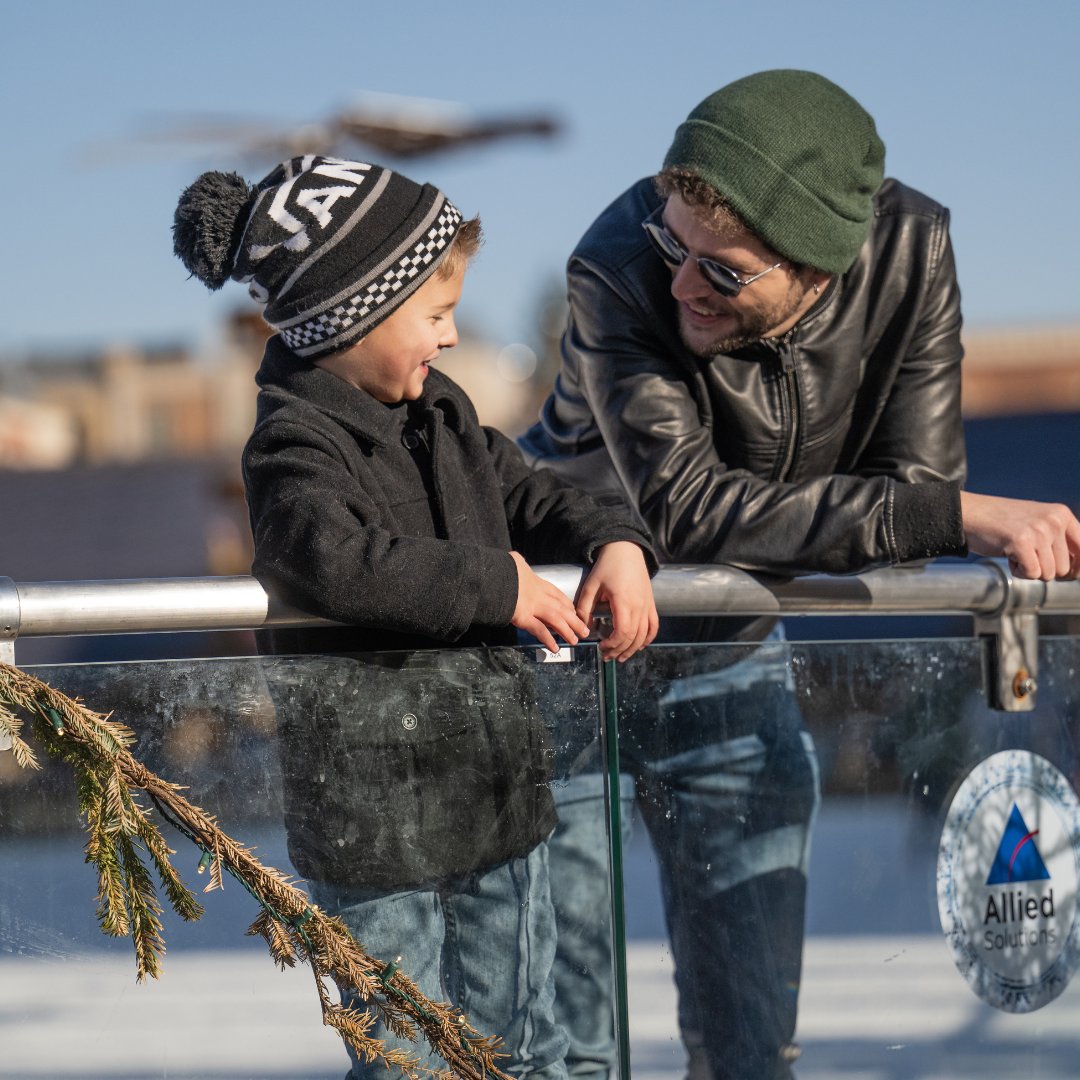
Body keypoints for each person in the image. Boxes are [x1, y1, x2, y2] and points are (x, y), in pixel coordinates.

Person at [518, 69, 1080, 1080]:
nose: (684, 283)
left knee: (752, 1047)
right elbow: (685, 509)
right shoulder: (611, 262)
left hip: (728, 647)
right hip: (566, 647)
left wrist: (926, 512)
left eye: (723, 273)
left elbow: (909, 492)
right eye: (674, 248)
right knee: (567, 1051)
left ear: (823, 268)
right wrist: (953, 516)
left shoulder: (911, 249)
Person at [172, 154, 659, 1080]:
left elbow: (537, 491)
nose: (450, 335)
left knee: (524, 1041)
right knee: (405, 1056)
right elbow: (338, 562)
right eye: (434, 315)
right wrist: (497, 587)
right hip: (372, 829)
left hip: (495, 799)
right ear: (353, 314)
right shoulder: (292, 445)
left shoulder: (444, 413)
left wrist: (618, 542)